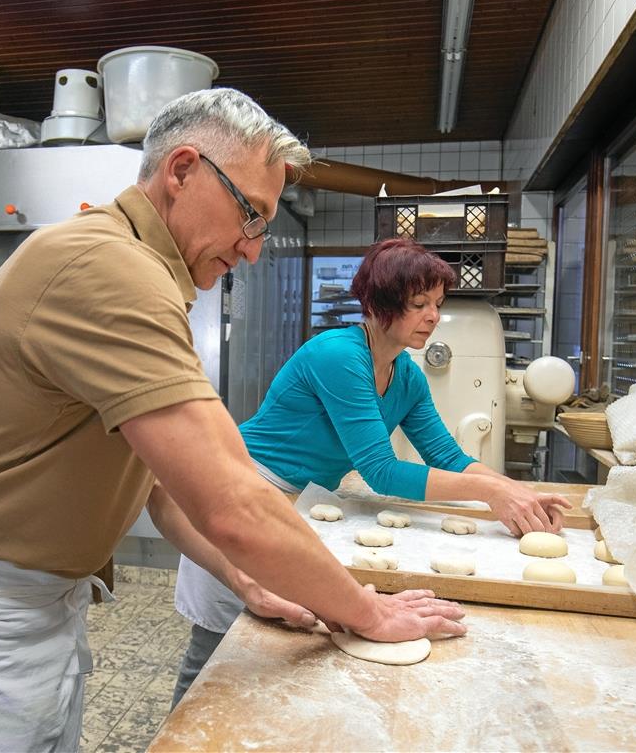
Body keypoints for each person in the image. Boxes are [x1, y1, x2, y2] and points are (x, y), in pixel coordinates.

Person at [0, 88, 465, 752]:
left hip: (25, 592)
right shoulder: (110, 270)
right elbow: (233, 502)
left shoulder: (139, 269)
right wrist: (366, 610)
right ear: (181, 171)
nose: (253, 249)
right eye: (251, 215)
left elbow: (161, 485)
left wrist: (244, 580)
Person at [169, 237, 573, 705]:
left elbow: (448, 456)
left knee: (265, 655)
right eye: (419, 304)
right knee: (215, 659)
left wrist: (514, 492)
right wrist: (489, 493)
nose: (433, 317)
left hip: (297, 506)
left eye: (437, 304)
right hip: (243, 490)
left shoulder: (407, 376)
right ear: (381, 304)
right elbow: (380, 470)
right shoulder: (339, 356)